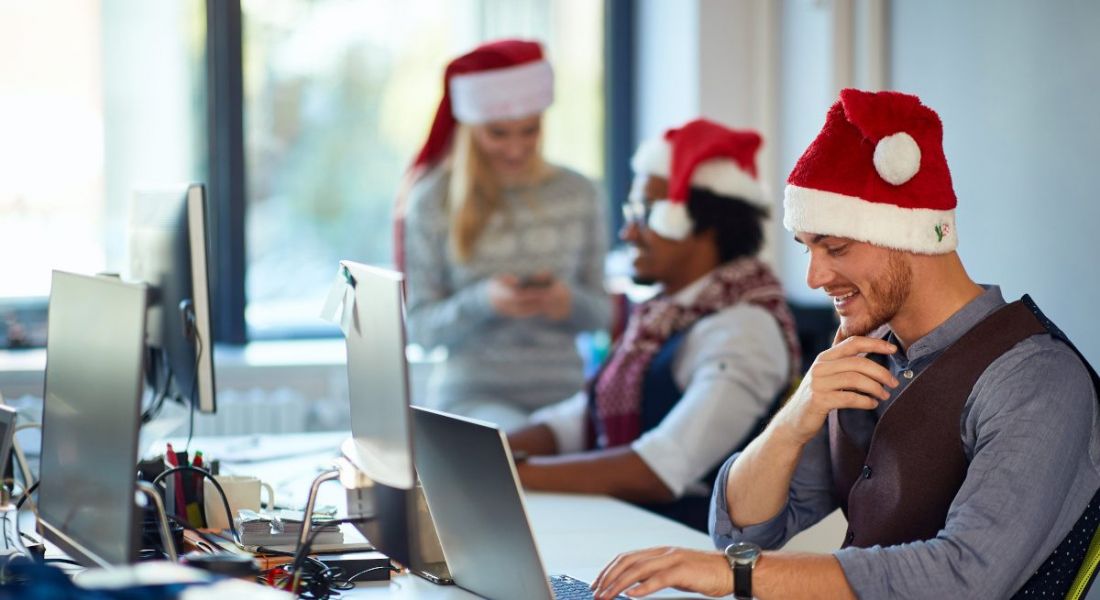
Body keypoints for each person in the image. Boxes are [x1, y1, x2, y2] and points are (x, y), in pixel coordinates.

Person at [591, 89, 1100, 600]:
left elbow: (965, 578)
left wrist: (741, 574)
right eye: (808, 248)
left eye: (835, 248)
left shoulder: (1037, 378)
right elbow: (741, 534)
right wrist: (797, 415)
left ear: (913, 237)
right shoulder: (865, 351)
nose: (814, 276)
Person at [508, 119, 801, 532]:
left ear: (704, 224)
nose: (628, 231)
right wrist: (492, 449)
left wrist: (512, 475)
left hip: (691, 556)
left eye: (645, 213)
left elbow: (663, 468)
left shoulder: (744, 331)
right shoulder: (661, 317)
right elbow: (580, 420)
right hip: (630, 533)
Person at [400, 39, 610, 429]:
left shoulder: (581, 193)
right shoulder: (432, 201)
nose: (516, 149)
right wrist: (485, 301)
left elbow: (602, 314)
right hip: (473, 399)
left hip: (564, 400)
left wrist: (566, 302)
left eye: (529, 131)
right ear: (470, 129)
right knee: (514, 448)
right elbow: (420, 329)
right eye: (498, 133)